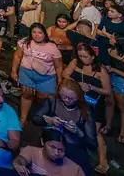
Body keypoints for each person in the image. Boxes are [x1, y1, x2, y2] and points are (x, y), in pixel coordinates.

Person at [62, 43, 111, 174]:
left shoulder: (100, 70)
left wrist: (91, 87)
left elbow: (107, 91)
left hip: (94, 104)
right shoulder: (75, 63)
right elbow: (65, 74)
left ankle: (103, 161)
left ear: (93, 56)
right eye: (80, 56)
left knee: (95, 132)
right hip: (78, 101)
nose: (83, 59)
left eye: (85, 56)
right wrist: (76, 84)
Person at [32, 79, 98, 172]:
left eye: (71, 98)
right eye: (64, 96)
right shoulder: (52, 101)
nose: (67, 100)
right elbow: (35, 119)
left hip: (72, 148)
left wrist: (78, 132)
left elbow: (93, 144)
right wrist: (49, 120)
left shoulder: (85, 111)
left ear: (78, 97)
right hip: (51, 143)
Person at [12, 23, 63, 125]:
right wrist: (14, 71)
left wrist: (59, 80)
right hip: (27, 73)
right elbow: (17, 56)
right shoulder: (24, 42)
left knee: (43, 97)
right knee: (27, 94)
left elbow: (58, 66)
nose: (37, 35)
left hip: (46, 77)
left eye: (40, 32)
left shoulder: (52, 47)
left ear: (44, 34)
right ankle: (23, 119)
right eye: (34, 32)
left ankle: (38, 115)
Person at [13, 129, 85, 176]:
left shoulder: (75, 169)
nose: (56, 153)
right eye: (52, 147)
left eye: (60, 150)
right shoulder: (32, 151)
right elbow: (20, 160)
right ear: (42, 142)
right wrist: (18, 166)